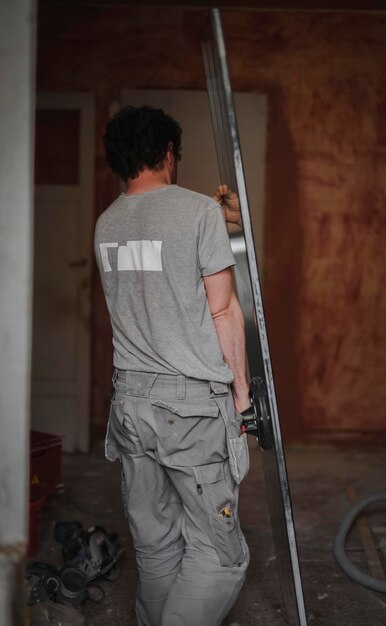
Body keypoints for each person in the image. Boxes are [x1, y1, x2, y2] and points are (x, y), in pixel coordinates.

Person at [94, 105, 250, 626]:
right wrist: (243, 395)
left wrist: (206, 213)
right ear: (168, 154)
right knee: (219, 554)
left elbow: (157, 251)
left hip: (130, 406)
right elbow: (223, 308)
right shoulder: (198, 215)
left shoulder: (107, 222)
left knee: (158, 550)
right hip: (187, 407)